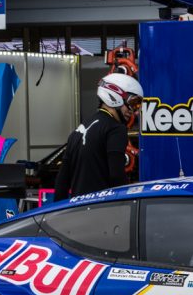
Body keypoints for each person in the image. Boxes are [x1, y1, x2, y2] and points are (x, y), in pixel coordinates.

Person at [54, 73, 142, 202]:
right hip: (101, 210)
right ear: (115, 96)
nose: (134, 112)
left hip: (76, 211)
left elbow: (62, 181)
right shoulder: (116, 129)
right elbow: (117, 176)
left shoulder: (78, 131)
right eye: (133, 103)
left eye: (138, 106)